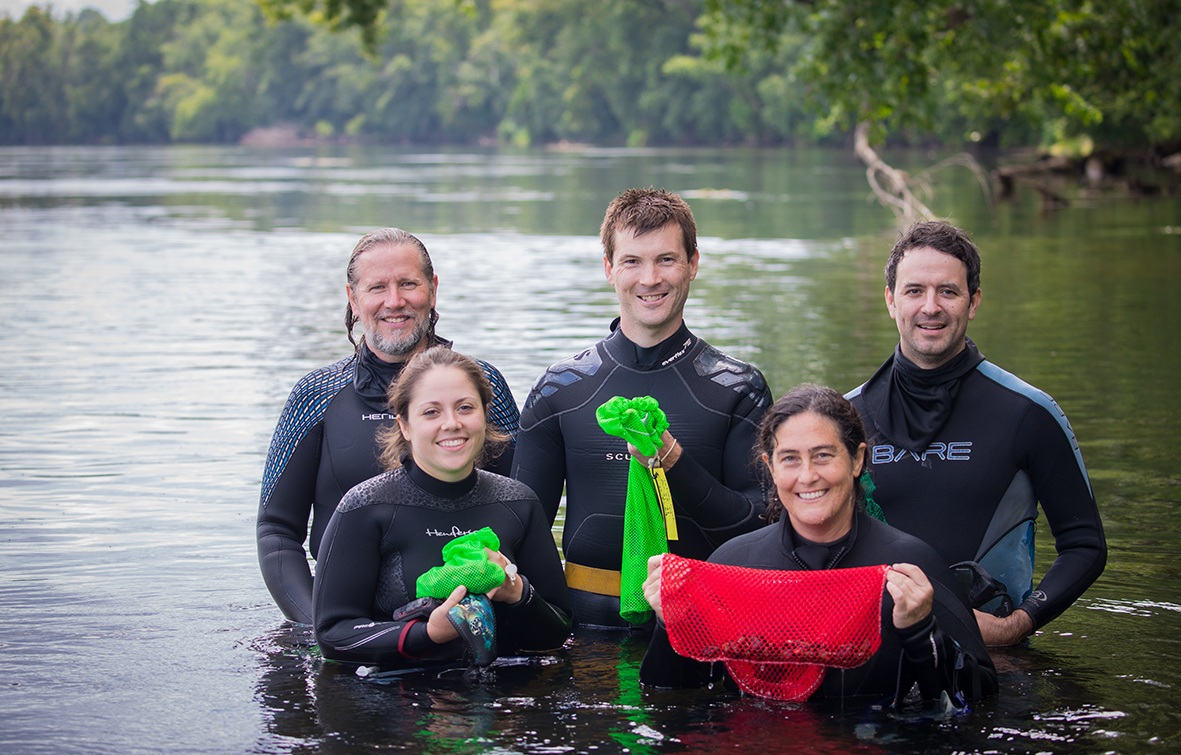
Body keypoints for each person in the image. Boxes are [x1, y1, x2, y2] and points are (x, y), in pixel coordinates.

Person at [512, 188, 773, 628]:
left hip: (703, 631)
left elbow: (761, 526)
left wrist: (674, 463)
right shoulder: (560, 389)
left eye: (666, 259)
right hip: (583, 640)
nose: (650, 278)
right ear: (609, 269)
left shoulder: (737, 389)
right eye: (633, 261)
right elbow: (519, 528)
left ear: (693, 264)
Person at [640, 385, 997, 704]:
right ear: (771, 467)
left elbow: (980, 701)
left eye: (824, 455)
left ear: (856, 460)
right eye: (790, 459)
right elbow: (673, 700)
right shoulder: (734, 563)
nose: (808, 476)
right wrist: (669, 621)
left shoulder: (908, 565)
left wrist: (921, 632)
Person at [846, 220, 1106, 647]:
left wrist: (1015, 625)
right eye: (914, 291)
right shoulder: (848, 416)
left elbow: (1085, 545)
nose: (931, 306)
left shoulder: (1028, 413)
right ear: (891, 301)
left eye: (948, 291)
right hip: (873, 654)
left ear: (974, 301)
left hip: (991, 661)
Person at [257, 228, 520, 624]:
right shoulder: (316, 396)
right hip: (351, 628)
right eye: (377, 287)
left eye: (408, 284)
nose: (394, 302)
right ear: (353, 297)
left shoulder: (483, 387)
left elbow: (523, 508)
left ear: (432, 290)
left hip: (469, 620)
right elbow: (276, 531)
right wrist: (319, 626)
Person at [312, 347, 572, 667]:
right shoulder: (364, 508)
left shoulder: (519, 503)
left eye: (465, 408)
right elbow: (331, 634)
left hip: (503, 705)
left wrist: (516, 591)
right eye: (431, 412)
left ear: (484, 414)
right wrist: (427, 634)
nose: (451, 423)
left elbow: (559, 631)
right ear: (405, 425)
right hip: (398, 702)